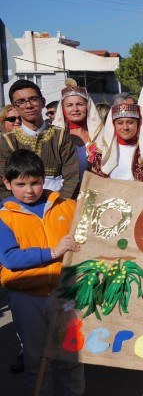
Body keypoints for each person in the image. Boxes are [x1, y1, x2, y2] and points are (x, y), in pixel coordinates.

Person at [0, 149, 84, 395]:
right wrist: (52, 252)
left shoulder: (67, 206)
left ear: (43, 180)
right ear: (7, 183)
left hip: (66, 294)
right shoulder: (4, 216)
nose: (29, 190)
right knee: (36, 361)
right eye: (20, 184)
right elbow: (9, 257)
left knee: (72, 359)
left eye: (35, 182)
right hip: (27, 296)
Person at [0, 80, 79, 200]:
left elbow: (72, 176)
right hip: (19, 208)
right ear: (14, 107)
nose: (28, 105)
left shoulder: (61, 136)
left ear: (42, 102)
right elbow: (3, 182)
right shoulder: (8, 141)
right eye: (21, 101)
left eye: (33, 99)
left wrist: (58, 205)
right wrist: (18, 208)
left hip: (58, 203)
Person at [89, 103, 143, 181]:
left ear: (138, 124)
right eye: (120, 123)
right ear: (113, 125)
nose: (125, 127)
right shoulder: (102, 152)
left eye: (130, 122)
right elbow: (93, 186)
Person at [52, 80, 104, 179]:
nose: (75, 109)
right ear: (62, 109)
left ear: (87, 106)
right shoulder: (55, 137)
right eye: (69, 105)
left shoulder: (100, 134)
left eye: (80, 104)